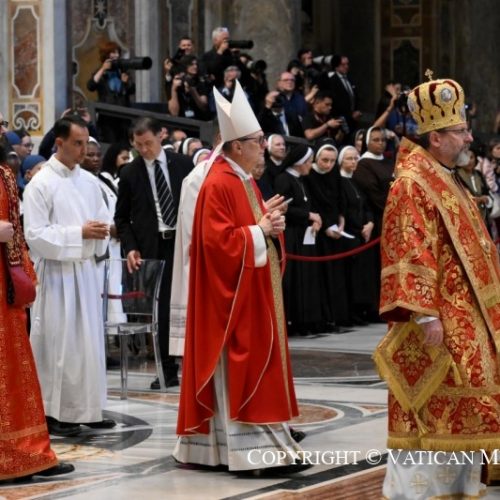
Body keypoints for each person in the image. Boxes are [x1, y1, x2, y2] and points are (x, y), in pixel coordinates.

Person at [373, 74, 500, 498]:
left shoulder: (445, 174)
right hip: (438, 319)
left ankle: (461, 489)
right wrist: (425, 314)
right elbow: (408, 245)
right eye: (461, 130)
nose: (469, 137)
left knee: (470, 403)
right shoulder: (413, 181)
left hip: (467, 314)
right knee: (435, 405)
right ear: (436, 137)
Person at [174, 80, 306, 473]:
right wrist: (259, 230)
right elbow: (216, 244)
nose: (263, 146)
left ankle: (211, 451)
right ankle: (250, 454)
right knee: (241, 368)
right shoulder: (218, 182)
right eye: (257, 141)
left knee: (251, 367)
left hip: (249, 290)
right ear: (235, 147)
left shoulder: (241, 178)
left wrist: (267, 220)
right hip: (229, 299)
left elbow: (245, 227)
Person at [23, 115, 113, 437]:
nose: (84, 150)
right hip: (56, 275)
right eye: (77, 143)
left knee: (88, 344)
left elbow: (102, 222)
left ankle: (88, 408)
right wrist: (79, 233)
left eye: (86, 143)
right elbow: (35, 235)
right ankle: (53, 412)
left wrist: (98, 232)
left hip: (85, 273)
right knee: (59, 345)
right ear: (59, 143)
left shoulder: (89, 182)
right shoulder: (41, 184)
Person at [0, 144, 74, 480]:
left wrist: (25, 276)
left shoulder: (4, 174)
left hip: (5, 290)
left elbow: (15, 230)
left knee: (16, 369)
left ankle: (27, 451)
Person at [114, 117, 193, 390]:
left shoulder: (183, 164)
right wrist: (131, 247)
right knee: (163, 309)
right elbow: (121, 218)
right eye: (138, 145)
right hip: (154, 245)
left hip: (184, 241)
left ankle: (195, 365)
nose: (144, 149)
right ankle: (167, 370)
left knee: (190, 303)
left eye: (148, 143)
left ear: (161, 135)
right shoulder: (129, 173)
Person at [275, 144, 324, 335]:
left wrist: (314, 220)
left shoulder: (302, 180)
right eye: (309, 162)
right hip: (291, 235)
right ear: (299, 163)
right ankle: (291, 321)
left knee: (306, 278)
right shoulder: (283, 179)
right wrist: (309, 215)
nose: (311, 165)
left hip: (304, 234)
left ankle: (306, 320)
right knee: (293, 278)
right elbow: (283, 209)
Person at [87, 40, 136, 143]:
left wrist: (126, 82)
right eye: (113, 52)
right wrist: (103, 69)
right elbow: (91, 86)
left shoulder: (122, 71)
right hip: (107, 116)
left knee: (124, 143)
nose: (116, 55)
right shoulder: (101, 73)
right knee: (110, 142)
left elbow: (132, 90)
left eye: (117, 52)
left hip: (123, 116)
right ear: (106, 54)